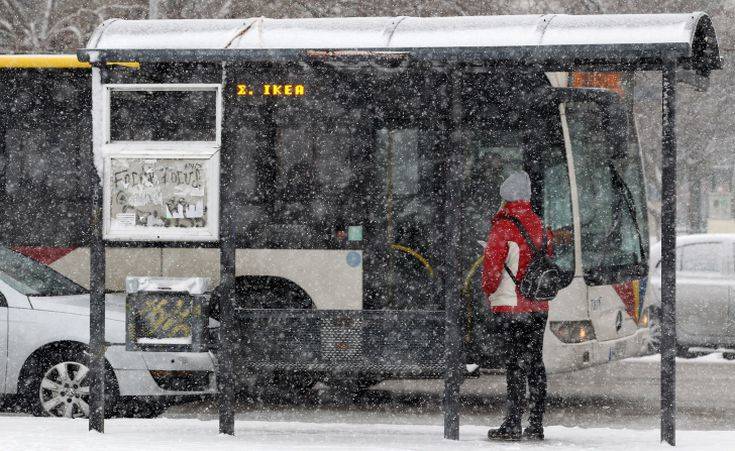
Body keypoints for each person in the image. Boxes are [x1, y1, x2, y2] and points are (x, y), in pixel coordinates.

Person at [482, 170, 551, 442]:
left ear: (505, 197)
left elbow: (490, 276)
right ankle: (535, 424)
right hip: (539, 307)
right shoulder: (541, 225)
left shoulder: (503, 227)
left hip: (511, 308)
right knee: (535, 363)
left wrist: (489, 290)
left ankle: (512, 424)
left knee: (514, 365)